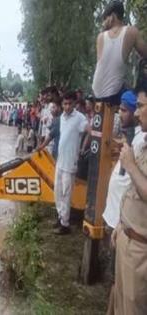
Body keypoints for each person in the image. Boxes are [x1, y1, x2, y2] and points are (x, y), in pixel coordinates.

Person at [102, 90, 144, 314]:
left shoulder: (139, 141)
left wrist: (128, 162)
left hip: (133, 237)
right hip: (122, 224)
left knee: (123, 289)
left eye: (138, 107)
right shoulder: (136, 140)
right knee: (116, 284)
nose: (135, 113)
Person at [112, 85, 147, 314]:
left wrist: (131, 166)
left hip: (140, 250)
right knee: (120, 301)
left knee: (133, 307)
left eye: (141, 106)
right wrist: (120, 225)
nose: (135, 112)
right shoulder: (143, 142)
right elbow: (133, 192)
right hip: (127, 237)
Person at [92, 0, 147, 104]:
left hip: (96, 92)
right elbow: (145, 53)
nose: (104, 22)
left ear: (112, 16)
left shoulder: (100, 37)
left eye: (105, 18)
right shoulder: (132, 31)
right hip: (115, 93)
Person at [53, 92, 89, 235]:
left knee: (66, 194)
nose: (67, 106)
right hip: (60, 161)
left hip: (70, 164)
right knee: (57, 192)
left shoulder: (80, 118)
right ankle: (60, 217)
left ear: (74, 104)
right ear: (62, 105)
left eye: (69, 104)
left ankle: (65, 225)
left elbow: (90, 131)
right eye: (65, 104)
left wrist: (83, 148)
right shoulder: (61, 117)